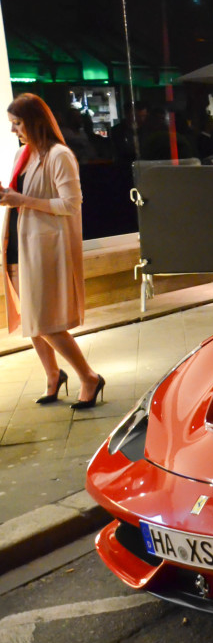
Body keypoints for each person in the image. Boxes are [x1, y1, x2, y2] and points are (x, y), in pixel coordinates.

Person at [2, 94, 104, 409]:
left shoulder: (59, 155)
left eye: (17, 124)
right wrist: (10, 196)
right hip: (21, 241)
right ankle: (53, 375)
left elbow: (71, 204)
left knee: (45, 321)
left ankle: (88, 377)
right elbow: (22, 196)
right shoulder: (25, 154)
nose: (14, 131)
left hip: (45, 245)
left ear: (33, 121)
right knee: (30, 317)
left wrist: (20, 200)